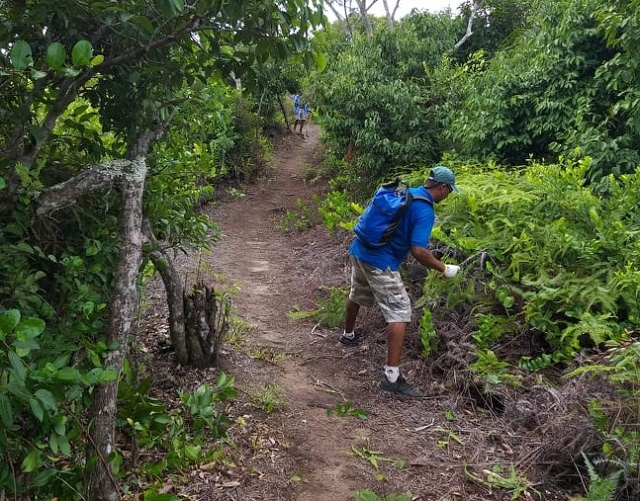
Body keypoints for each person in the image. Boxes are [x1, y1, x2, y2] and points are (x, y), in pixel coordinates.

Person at [339, 166, 461, 397]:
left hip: (360, 250)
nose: (448, 195)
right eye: (450, 191)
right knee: (400, 311)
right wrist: (444, 268)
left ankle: (348, 335)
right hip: (380, 262)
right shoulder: (424, 210)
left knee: (357, 293)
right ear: (443, 187)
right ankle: (392, 378)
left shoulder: (405, 193)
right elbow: (418, 251)